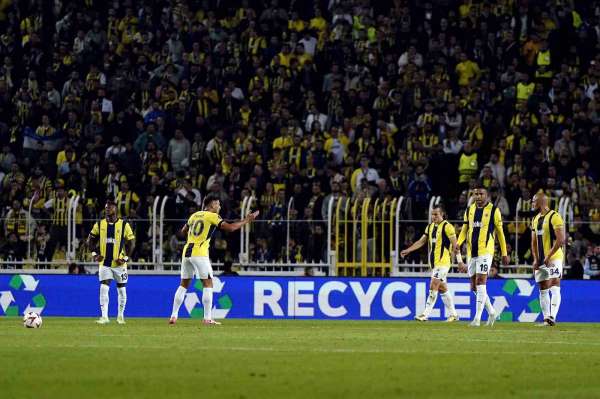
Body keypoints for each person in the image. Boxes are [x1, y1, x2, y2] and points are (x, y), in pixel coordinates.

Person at [169, 194, 259, 325]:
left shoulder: (194, 215)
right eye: (218, 204)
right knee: (208, 284)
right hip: (200, 252)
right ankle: (207, 318)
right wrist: (247, 220)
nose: (220, 206)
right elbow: (231, 228)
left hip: (187, 251)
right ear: (211, 205)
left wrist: (194, 237)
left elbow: (183, 230)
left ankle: (173, 316)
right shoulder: (213, 216)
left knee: (184, 285)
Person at [457, 181, 509, 327]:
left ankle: (477, 319)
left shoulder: (494, 211)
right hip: (471, 252)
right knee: (474, 287)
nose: (478, 196)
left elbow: (500, 233)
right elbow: (464, 230)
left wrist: (504, 253)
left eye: (481, 194)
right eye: (476, 194)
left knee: (481, 282)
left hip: (485, 252)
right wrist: (459, 243)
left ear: (487, 195)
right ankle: (492, 312)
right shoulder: (470, 210)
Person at [401, 205, 460, 322]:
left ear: (442, 214)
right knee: (442, 289)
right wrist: (408, 250)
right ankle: (454, 314)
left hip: (443, 263)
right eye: (432, 214)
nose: (433, 217)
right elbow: (421, 242)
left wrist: (460, 262)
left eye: (436, 214)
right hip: (434, 264)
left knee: (433, 285)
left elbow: (456, 246)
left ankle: (425, 314)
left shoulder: (448, 227)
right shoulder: (430, 227)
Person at [87, 196, 136, 325]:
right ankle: (104, 317)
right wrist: (94, 254)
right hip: (105, 263)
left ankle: (120, 316)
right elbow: (90, 241)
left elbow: (132, 243)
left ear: (116, 208)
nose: (108, 208)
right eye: (106, 206)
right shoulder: (99, 224)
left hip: (119, 265)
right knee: (104, 288)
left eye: (111, 206)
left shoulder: (124, 225)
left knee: (121, 290)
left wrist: (125, 258)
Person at [531, 192, 566, 326]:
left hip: (554, 258)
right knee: (543, 288)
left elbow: (561, 240)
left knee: (554, 284)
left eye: (534, 201)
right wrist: (535, 259)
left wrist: (549, 256)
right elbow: (533, 242)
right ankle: (546, 319)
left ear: (541, 202)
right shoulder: (535, 219)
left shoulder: (555, 216)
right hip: (540, 260)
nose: (532, 203)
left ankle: (552, 316)